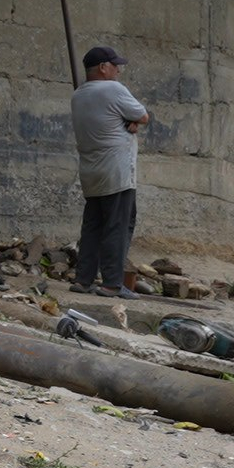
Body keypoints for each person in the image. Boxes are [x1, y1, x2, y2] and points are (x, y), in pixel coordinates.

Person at [69, 46, 149, 299]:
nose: (118, 70)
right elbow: (143, 116)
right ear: (103, 68)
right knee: (118, 226)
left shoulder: (78, 95)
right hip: (116, 171)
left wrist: (128, 121)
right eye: (115, 66)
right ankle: (112, 284)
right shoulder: (113, 89)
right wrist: (132, 121)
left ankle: (83, 279)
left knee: (93, 226)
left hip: (91, 171)